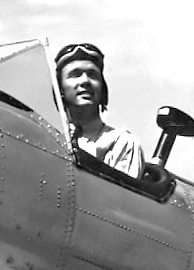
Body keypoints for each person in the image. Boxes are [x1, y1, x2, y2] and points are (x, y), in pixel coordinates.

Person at [54, 42, 145, 178]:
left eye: (92, 75)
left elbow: (121, 197)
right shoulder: (51, 141)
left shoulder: (121, 142)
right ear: (60, 88)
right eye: (75, 74)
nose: (85, 81)